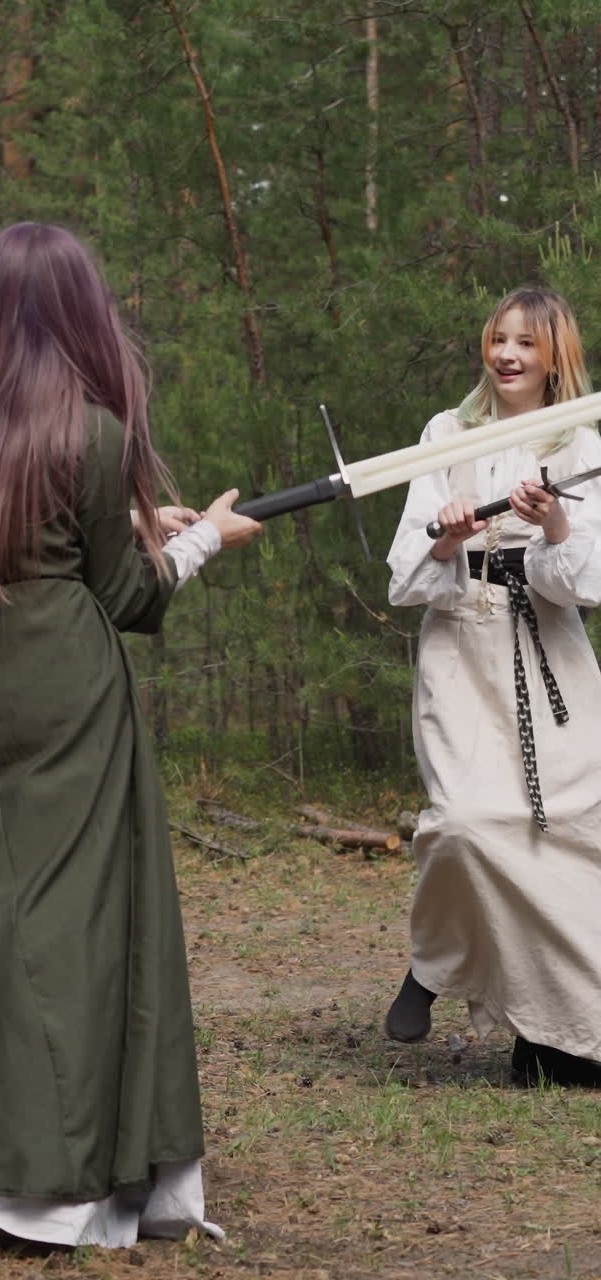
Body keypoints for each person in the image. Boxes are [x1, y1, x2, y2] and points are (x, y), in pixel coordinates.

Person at [0, 222, 261, 1244]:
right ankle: (43, 1181)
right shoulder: (91, 430)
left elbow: (10, 536)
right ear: (80, 309)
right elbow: (126, 593)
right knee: (70, 930)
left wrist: (142, 525)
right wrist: (200, 543)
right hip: (65, 696)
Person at [384, 286, 601, 1087]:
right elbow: (404, 576)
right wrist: (447, 539)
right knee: (466, 823)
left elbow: (584, 582)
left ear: (555, 357)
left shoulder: (577, 440)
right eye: (498, 338)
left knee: (563, 840)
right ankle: (433, 963)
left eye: (527, 344)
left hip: (550, 656)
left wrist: (552, 527)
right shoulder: (447, 434)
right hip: (463, 651)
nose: (508, 354)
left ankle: (553, 1037)